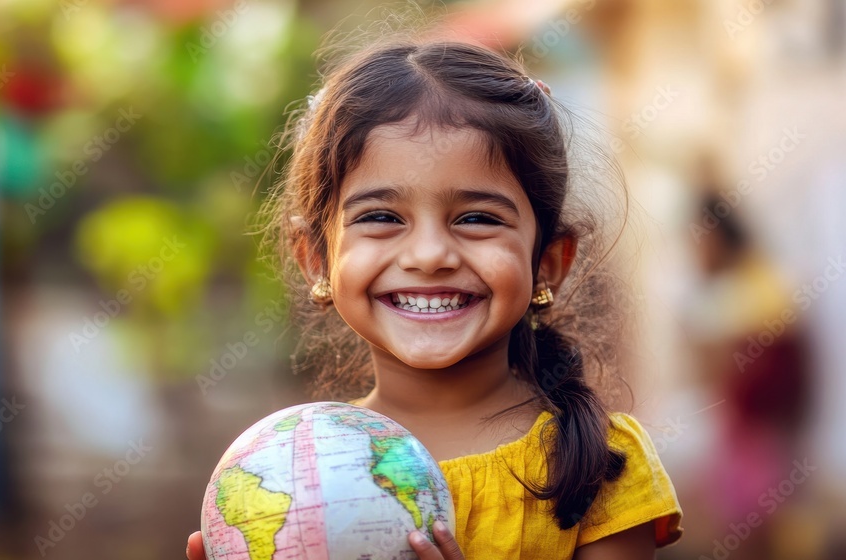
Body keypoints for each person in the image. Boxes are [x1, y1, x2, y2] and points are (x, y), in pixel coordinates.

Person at [188, 38, 683, 560]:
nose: (428, 255)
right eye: (381, 217)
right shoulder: (288, 471)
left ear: (548, 263)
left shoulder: (598, 464)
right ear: (315, 258)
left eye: (477, 218)